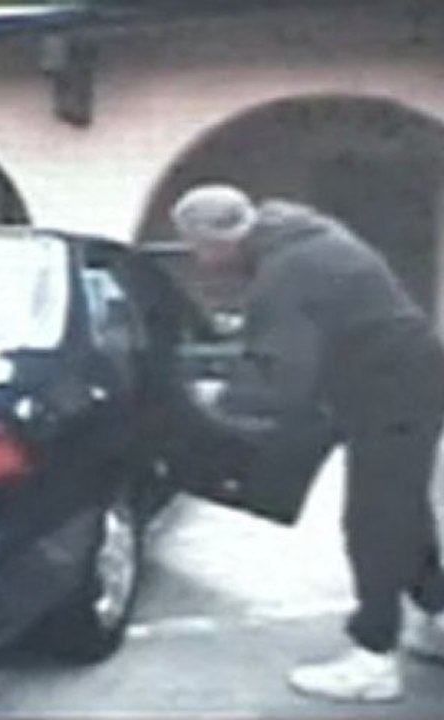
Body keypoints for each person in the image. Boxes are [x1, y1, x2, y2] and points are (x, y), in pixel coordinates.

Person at [169, 183, 444, 702]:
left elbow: (283, 379)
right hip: (406, 378)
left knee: (375, 519)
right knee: (402, 511)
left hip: (391, 392)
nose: (200, 262)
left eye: (198, 249)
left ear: (215, 239)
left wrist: (213, 401)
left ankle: (373, 656)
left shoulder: (286, 271)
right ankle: (438, 609)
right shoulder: (299, 238)